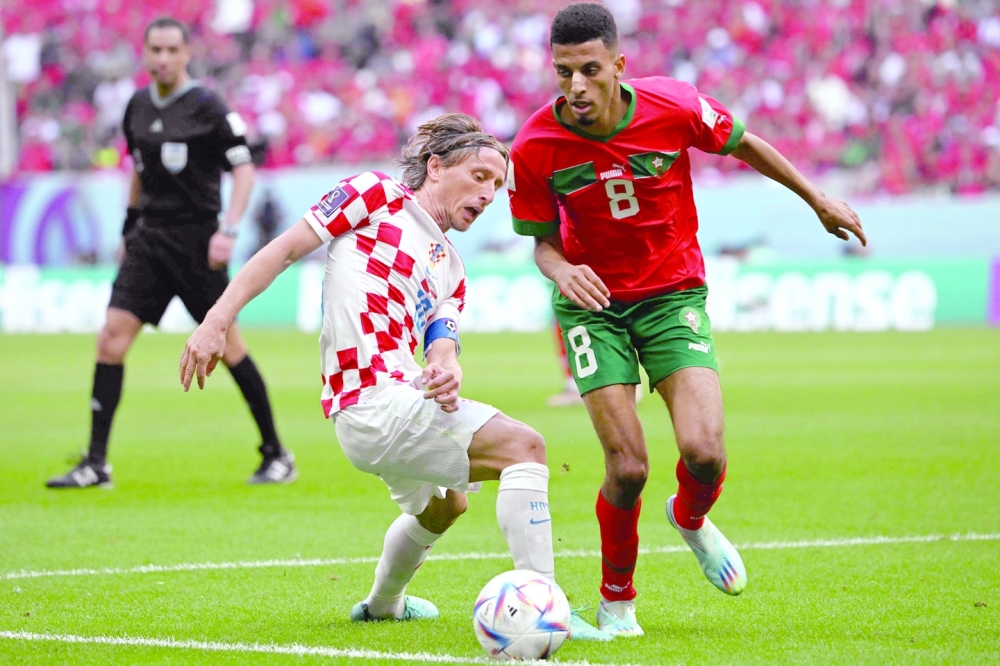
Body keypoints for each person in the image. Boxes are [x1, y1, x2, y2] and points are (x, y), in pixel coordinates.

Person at [178, 113, 610, 640]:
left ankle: (383, 604)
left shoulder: (451, 267)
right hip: (369, 399)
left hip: (395, 400)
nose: (489, 192)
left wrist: (445, 370)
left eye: (497, 185)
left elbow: (443, 347)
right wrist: (217, 320)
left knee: (448, 503)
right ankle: (548, 610)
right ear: (434, 167)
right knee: (527, 448)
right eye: (479, 176)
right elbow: (284, 249)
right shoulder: (375, 195)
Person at [508, 3, 866, 637]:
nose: (577, 87)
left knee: (704, 453)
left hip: (673, 295)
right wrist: (561, 271)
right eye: (563, 73)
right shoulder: (536, 145)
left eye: (590, 70)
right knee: (628, 467)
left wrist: (818, 199)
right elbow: (542, 243)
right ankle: (616, 608)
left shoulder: (673, 106)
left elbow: (746, 144)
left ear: (619, 65)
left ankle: (690, 518)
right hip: (595, 307)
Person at [46, 17, 295, 489]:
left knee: (228, 347)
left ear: (186, 54)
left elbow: (244, 173)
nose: (162, 58)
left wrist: (229, 230)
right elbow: (137, 169)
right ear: (145, 53)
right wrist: (127, 227)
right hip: (149, 239)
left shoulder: (208, 107)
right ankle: (96, 463)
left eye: (171, 50)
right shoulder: (137, 106)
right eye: (154, 49)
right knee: (111, 339)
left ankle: (276, 453)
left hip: (198, 243)